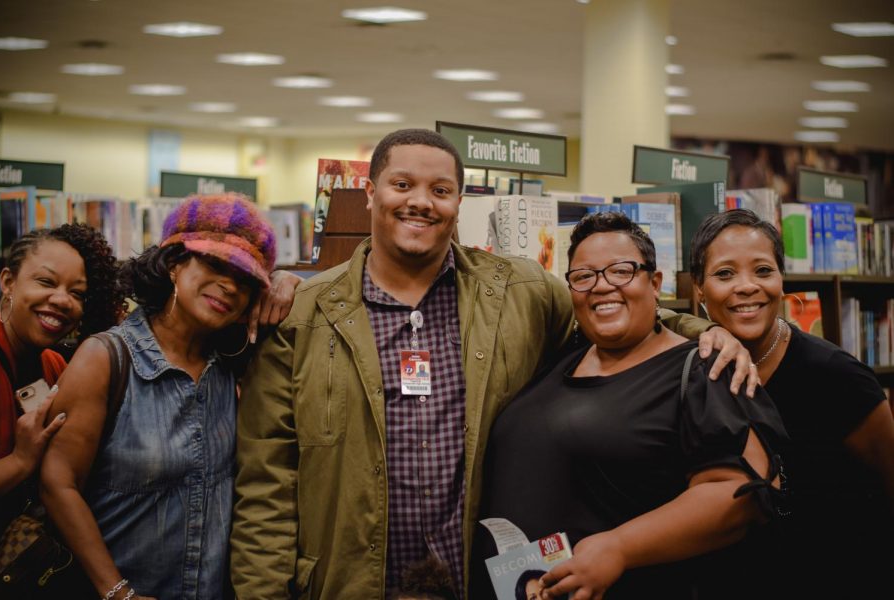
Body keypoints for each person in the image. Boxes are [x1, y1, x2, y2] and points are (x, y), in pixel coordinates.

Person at [231, 129, 757, 599]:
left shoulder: (520, 293)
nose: (421, 202)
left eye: (440, 191)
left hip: (477, 581)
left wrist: (703, 329)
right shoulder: (304, 314)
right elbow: (266, 483)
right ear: (371, 194)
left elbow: (606, 307)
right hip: (348, 583)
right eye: (402, 185)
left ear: (459, 202)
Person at [469, 212, 788, 600]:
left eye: (621, 271)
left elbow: (740, 494)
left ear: (655, 283)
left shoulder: (704, 367)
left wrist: (618, 548)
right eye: (584, 276)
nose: (602, 287)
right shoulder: (564, 354)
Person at [39, 193, 290, 600]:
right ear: (174, 263)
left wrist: (287, 280)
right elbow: (58, 484)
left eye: (245, 280)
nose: (229, 285)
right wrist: (116, 591)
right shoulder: (106, 358)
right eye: (214, 264)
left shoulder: (230, 367)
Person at [689, 208, 894, 599]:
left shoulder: (839, 378)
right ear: (698, 287)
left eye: (763, 270)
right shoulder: (692, 373)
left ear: (782, 281)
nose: (747, 286)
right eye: (725, 274)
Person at [0, 224, 124, 532]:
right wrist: (20, 462)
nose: (63, 300)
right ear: (8, 282)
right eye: (46, 282)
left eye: (77, 293)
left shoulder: (54, 365)